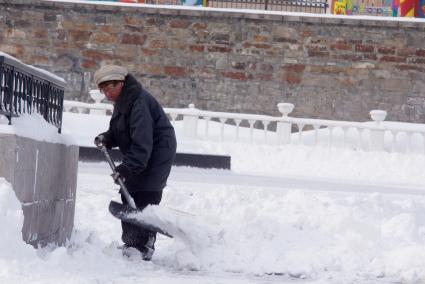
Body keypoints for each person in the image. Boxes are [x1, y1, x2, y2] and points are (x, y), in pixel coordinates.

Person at [93, 65, 177, 261]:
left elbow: (142, 143)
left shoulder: (138, 103)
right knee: (128, 192)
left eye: (108, 89)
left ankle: (144, 247)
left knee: (146, 195)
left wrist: (127, 168)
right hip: (142, 152)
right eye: (103, 91)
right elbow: (119, 130)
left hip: (156, 153)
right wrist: (106, 138)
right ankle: (132, 243)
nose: (106, 94)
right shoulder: (124, 102)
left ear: (120, 83)